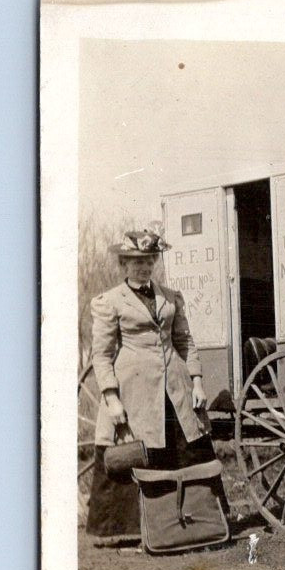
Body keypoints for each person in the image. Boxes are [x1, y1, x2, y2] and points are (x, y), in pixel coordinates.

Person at [85, 229, 216, 546]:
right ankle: (129, 530)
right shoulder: (109, 302)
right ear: (124, 264)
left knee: (188, 447)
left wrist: (197, 382)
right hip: (134, 393)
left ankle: (193, 521)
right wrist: (111, 398)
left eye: (149, 261)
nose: (144, 268)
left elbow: (185, 341)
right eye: (136, 262)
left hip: (175, 389)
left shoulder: (171, 297)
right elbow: (101, 355)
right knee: (135, 452)